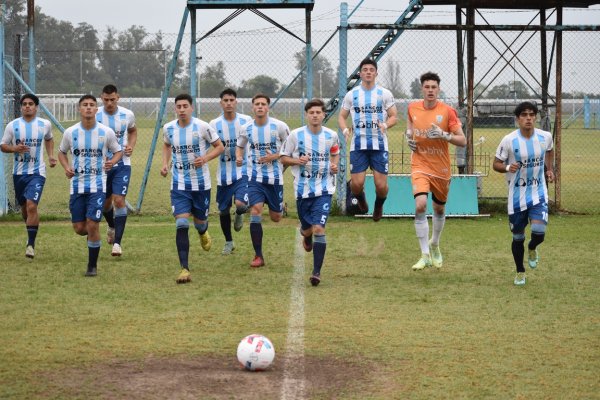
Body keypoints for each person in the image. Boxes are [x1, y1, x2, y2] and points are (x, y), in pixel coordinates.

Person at [405, 72, 466, 271]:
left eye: (434, 87)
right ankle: (424, 255)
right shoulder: (412, 108)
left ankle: (435, 244)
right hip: (420, 164)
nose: (430, 90)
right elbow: (410, 128)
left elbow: (462, 140)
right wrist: (409, 139)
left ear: (438, 89)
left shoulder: (447, 112)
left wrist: (444, 135)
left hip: (441, 168)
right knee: (421, 205)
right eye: (427, 87)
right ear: (421, 89)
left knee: (438, 209)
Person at [160, 94, 224, 284]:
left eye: (185, 106)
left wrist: (205, 158)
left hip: (201, 184)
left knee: (200, 223)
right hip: (179, 184)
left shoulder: (203, 127)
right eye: (178, 106)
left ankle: (203, 231)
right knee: (181, 224)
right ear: (175, 109)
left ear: (191, 108)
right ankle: (184, 268)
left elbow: (220, 147)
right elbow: (166, 145)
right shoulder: (169, 128)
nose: (181, 109)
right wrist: (165, 164)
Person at [58, 95, 122, 277]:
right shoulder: (70, 132)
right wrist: (66, 167)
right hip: (77, 186)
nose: (88, 108)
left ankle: (92, 266)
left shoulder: (106, 132)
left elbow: (118, 151)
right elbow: (61, 153)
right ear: (79, 109)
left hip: (98, 186)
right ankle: (94, 233)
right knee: (80, 228)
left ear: (96, 109)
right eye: (84, 105)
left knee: (92, 225)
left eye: (91, 105)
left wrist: (112, 162)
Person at [493, 101, 554, 286]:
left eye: (531, 114)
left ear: (535, 117)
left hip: (538, 192)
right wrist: (507, 167)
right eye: (524, 115)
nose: (528, 118)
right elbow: (496, 164)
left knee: (538, 232)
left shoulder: (545, 137)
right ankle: (520, 271)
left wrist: (549, 170)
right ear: (518, 119)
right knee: (517, 236)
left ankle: (533, 247)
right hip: (517, 196)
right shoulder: (509, 140)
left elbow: (549, 151)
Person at [280, 99, 339, 286]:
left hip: (324, 189)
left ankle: (316, 272)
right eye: (311, 112)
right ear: (307, 115)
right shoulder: (296, 136)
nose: (315, 115)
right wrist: (298, 161)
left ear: (323, 115)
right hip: (302, 191)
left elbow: (335, 152)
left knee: (319, 228)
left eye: (318, 112)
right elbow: (283, 158)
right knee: (307, 229)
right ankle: (306, 236)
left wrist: (334, 164)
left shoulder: (331, 135)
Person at [338, 58, 398, 221]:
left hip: (379, 144)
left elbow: (394, 116)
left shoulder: (384, 94)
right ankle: (362, 200)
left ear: (376, 73)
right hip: (358, 145)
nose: (368, 72)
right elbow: (342, 117)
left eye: (371, 69)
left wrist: (385, 125)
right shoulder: (352, 95)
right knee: (356, 184)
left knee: (381, 185)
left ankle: (379, 205)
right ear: (360, 73)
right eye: (365, 69)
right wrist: (344, 129)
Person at [235, 93, 290, 268]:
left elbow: (290, 150)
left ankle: (280, 206)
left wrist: (274, 156)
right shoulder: (246, 127)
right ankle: (258, 255)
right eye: (257, 104)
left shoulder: (280, 126)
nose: (260, 106)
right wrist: (238, 157)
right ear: (253, 108)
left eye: (263, 104)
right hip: (254, 178)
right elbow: (240, 145)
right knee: (256, 210)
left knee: (276, 218)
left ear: (268, 107)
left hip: (275, 178)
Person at [1, 94, 57, 258]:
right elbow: (3, 146)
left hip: (37, 173)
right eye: (24, 104)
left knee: (32, 205)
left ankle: (30, 245)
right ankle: (30, 227)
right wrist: (14, 149)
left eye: (31, 104)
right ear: (21, 107)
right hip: (18, 174)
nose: (27, 106)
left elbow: (49, 139)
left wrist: (51, 155)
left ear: (36, 107)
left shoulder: (44, 124)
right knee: (25, 209)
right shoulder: (13, 126)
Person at [95, 84, 137, 257]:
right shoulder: (95, 114)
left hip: (122, 164)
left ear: (118, 97)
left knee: (119, 201)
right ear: (101, 98)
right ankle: (111, 226)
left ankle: (117, 244)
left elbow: (133, 131)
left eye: (112, 99)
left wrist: (131, 146)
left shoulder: (127, 114)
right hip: (102, 166)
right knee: (105, 204)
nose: (109, 103)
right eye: (106, 100)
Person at [209, 88, 252, 255]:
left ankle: (240, 212)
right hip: (223, 173)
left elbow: (253, 138)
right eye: (225, 100)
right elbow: (209, 143)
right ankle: (229, 241)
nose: (228, 103)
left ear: (236, 102)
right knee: (223, 210)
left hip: (244, 170)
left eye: (231, 100)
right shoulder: (214, 124)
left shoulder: (246, 120)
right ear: (221, 103)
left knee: (241, 205)